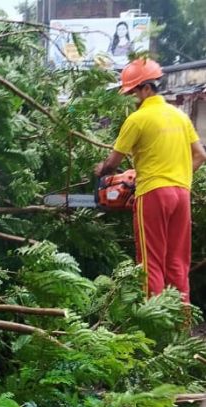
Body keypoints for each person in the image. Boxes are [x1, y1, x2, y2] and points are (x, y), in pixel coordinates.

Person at [94, 58, 206, 306]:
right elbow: (200, 155)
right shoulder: (180, 116)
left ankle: (153, 323)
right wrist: (178, 177)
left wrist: (100, 170)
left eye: (132, 92)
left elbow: (112, 163)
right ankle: (181, 323)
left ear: (146, 88)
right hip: (181, 194)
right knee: (177, 261)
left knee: (150, 262)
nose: (131, 98)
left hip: (153, 194)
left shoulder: (137, 119)